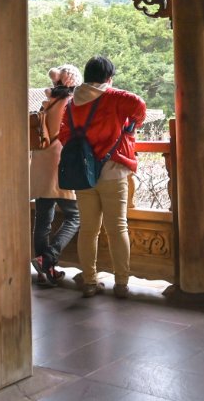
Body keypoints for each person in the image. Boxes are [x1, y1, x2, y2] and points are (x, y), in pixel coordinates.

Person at [57, 55, 146, 300]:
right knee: (117, 227)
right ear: (109, 77)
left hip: (83, 174)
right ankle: (121, 283)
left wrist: (85, 152)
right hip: (113, 171)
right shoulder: (116, 98)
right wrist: (131, 125)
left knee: (88, 229)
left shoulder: (72, 103)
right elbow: (139, 106)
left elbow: (64, 134)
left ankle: (89, 281)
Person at [30, 64, 82, 287]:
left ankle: (45, 271)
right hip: (60, 163)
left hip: (40, 162)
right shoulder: (70, 103)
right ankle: (48, 258)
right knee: (74, 216)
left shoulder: (47, 103)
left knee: (43, 219)